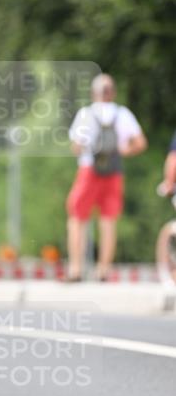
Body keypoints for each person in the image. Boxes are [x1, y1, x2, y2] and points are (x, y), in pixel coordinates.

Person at [66, 73, 147, 281]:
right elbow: (140, 143)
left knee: (77, 218)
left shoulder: (86, 114)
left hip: (88, 171)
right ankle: (103, 270)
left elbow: (76, 147)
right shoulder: (123, 114)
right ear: (113, 93)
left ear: (94, 93)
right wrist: (121, 151)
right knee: (108, 220)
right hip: (114, 171)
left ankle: (76, 269)